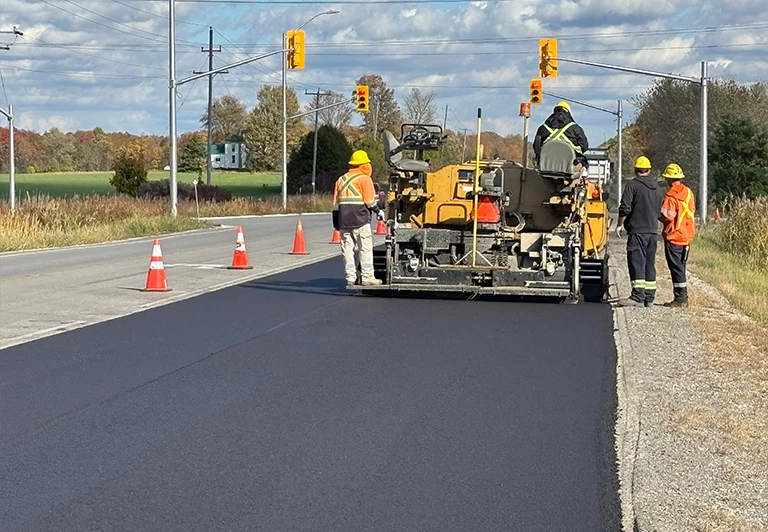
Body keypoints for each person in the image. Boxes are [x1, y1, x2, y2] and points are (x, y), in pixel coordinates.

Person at [616, 156, 665, 307]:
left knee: (637, 262)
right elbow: (659, 209)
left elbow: (625, 207)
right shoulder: (657, 187)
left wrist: (620, 224)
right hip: (652, 231)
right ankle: (649, 297)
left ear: (636, 170)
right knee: (649, 263)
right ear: (649, 170)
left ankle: (637, 296)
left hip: (637, 231)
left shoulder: (632, 186)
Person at [332, 150, 386, 287]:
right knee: (365, 249)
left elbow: (335, 205)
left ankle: (350, 278)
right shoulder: (365, 179)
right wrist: (379, 211)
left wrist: (336, 224)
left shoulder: (341, 180)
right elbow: (369, 201)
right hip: (360, 220)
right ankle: (367, 277)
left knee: (347, 251)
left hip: (344, 222)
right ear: (364, 165)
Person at [658, 163, 696, 307]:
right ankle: (682, 297)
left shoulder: (671, 196)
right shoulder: (688, 192)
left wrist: (657, 214)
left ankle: (680, 299)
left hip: (674, 236)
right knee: (681, 266)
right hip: (686, 235)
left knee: (676, 268)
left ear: (668, 178)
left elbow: (667, 216)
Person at [533, 101, 589, 172]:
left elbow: (536, 147)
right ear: (568, 113)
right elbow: (584, 147)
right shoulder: (576, 129)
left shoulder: (542, 128)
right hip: (570, 168)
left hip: (546, 167)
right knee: (582, 168)